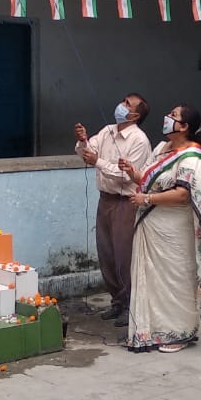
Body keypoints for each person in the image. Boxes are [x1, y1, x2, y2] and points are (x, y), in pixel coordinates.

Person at [119, 104, 201, 353]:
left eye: (173, 115)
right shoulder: (162, 148)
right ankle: (150, 331)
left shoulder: (192, 157)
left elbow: (182, 194)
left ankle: (180, 332)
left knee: (174, 280)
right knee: (152, 281)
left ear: (184, 126)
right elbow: (148, 180)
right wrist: (132, 172)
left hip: (174, 230)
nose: (167, 117)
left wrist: (147, 199)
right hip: (151, 226)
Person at [75, 94, 151, 327]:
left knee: (124, 255)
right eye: (123, 101)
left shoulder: (139, 140)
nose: (121, 105)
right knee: (106, 253)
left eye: (127, 104)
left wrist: (97, 161)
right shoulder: (108, 130)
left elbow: (125, 175)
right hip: (105, 199)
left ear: (135, 115)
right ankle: (117, 301)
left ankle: (132, 305)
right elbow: (87, 152)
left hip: (125, 202)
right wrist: (83, 141)